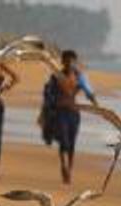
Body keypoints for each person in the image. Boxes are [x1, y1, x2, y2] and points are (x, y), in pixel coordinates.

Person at [40, 49, 97, 184]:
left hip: (74, 113)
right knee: (64, 141)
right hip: (60, 113)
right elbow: (48, 93)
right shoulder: (56, 76)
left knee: (71, 144)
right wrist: (45, 111)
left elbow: (88, 91)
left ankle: (69, 169)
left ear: (75, 62)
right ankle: (63, 166)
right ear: (63, 62)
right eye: (67, 61)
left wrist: (96, 105)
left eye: (72, 61)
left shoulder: (79, 76)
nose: (69, 63)